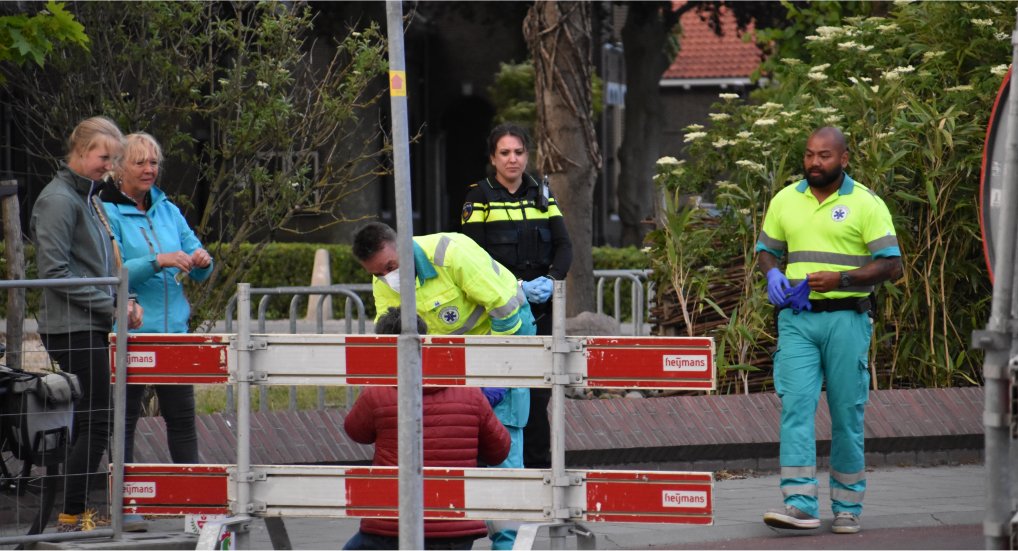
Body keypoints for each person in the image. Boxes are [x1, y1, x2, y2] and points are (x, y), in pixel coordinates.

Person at [755, 127, 902, 535]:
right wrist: (772, 273)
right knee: (796, 407)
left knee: (846, 414)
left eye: (824, 156)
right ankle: (800, 504)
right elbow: (766, 249)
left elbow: (892, 265)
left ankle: (847, 507)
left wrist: (841, 279)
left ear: (844, 159)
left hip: (848, 318)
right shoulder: (786, 198)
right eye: (808, 155)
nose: (814, 163)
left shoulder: (866, 203)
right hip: (797, 320)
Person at [353, 222, 534, 549]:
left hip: (505, 335)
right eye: (378, 273)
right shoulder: (384, 282)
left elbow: (507, 315)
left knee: (503, 452)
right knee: (448, 443)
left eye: (391, 267)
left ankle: (508, 545)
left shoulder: (452, 253)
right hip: (447, 362)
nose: (386, 278)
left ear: (403, 248)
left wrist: (500, 379)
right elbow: (391, 341)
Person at [31, 116, 144, 532]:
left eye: (114, 159)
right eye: (104, 157)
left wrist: (123, 298)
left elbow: (101, 265)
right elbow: (55, 273)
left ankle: (71, 511)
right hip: (71, 325)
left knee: (93, 418)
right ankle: (72, 513)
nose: (110, 166)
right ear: (79, 151)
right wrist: (110, 304)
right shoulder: (60, 199)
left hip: (88, 320)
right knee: (99, 417)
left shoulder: (87, 197)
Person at [100, 132, 213, 531]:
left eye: (154, 163)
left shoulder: (168, 208)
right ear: (117, 168)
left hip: (174, 334)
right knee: (124, 420)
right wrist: (158, 260)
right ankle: (125, 504)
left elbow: (200, 259)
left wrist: (200, 260)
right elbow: (114, 270)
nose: (149, 170)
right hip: (131, 332)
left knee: (182, 418)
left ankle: (195, 504)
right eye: (139, 163)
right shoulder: (106, 211)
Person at [342, 307, 511, 550]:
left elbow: (356, 432)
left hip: (392, 524)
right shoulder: (469, 392)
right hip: (455, 527)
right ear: (425, 339)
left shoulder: (378, 393)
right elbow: (500, 451)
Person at [460, 123, 572, 473]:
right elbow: (472, 254)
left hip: (540, 309)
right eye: (505, 153)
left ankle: (539, 470)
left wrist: (552, 280)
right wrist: (514, 287)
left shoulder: (542, 193)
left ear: (528, 155)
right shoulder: (479, 196)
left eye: (519, 152)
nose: (513, 159)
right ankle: (498, 468)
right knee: (501, 390)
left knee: (540, 392)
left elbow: (565, 245)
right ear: (493, 158)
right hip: (500, 310)